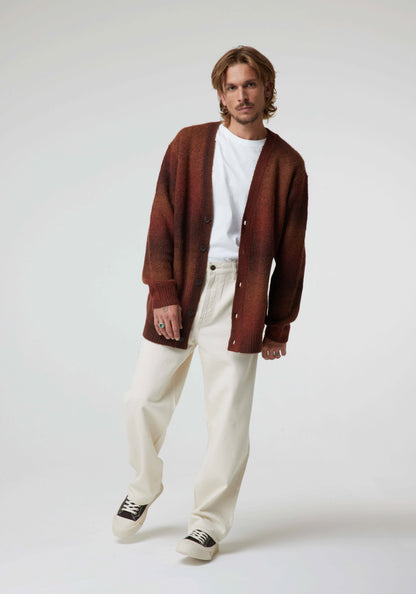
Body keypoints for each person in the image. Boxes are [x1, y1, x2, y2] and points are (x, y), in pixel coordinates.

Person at [112, 45, 308, 561]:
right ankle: (143, 485)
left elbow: (291, 253)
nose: (242, 96)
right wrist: (162, 291)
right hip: (183, 288)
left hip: (242, 297)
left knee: (228, 419)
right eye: (232, 87)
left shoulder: (287, 164)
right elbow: (161, 219)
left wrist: (279, 325)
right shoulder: (190, 144)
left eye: (251, 85)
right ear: (221, 94)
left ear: (266, 88)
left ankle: (208, 524)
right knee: (141, 399)